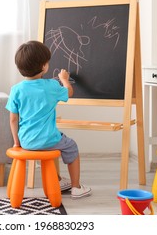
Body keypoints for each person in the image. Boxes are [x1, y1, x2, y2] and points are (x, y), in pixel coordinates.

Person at [5, 40, 92, 199]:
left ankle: (57, 180)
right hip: (49, 140)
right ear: (44, 66)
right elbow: (69, 93)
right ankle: (76, 187)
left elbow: (12, 120)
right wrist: (64, 79)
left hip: (26, 141)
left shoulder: (16, 90)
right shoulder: (51, 86)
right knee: (71, 146)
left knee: (55, 142)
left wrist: (17, 142)